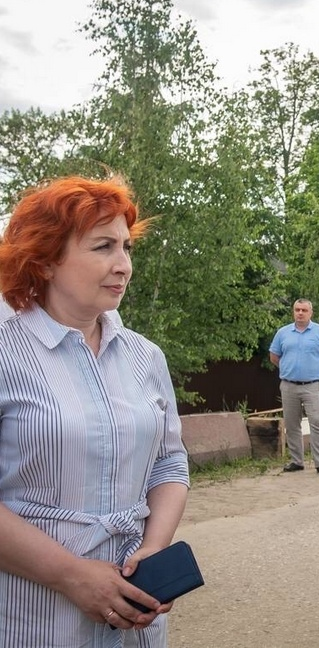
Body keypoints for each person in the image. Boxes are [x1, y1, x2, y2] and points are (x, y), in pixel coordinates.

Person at [0, 175, 190, 646]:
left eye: (127, 247)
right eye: (103, 247)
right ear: (44, 260)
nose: (123, 265)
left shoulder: (146, 356)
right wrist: (72, 576)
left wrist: (152, 550)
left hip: (135, 615)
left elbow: (169, 461)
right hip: (34, 618)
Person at [269, 299, 319, 476]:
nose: (300, 313)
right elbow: (274, 356)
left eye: (304, 310)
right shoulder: (283, 333)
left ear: (311, 312)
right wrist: (288, 369)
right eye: (297, 310)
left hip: (312, 386)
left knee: (316, 422)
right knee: (292, 424)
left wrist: (318, 370)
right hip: (288, 385)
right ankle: (296, 460)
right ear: (293, 311)